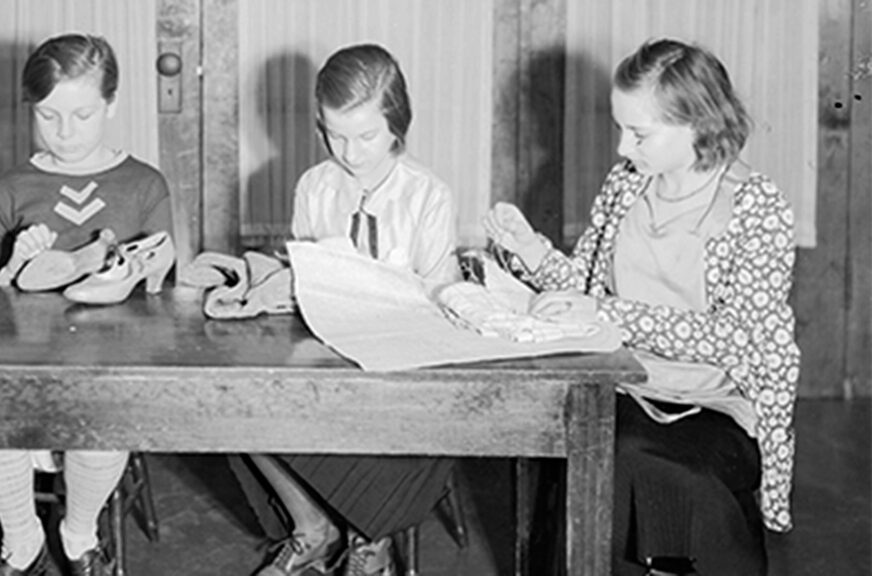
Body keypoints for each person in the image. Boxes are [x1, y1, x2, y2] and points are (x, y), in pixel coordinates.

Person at [483, 38, 800, 575]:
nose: (623, 148)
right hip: (626, 385)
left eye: (640, 133)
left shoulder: (757, 206)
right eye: (620, 128)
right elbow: (584, 289)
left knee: (643, 463)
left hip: (718, 405)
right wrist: (531, 251)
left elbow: (739, 336)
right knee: (592, 455)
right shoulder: (626, 186)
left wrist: (610, 315)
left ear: (698, 123)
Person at [229, 44, 460, 576]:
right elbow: (307, 280)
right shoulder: (315, 187)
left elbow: (439, 295)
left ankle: (370, 538)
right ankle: (311, 527)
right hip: (328, 354)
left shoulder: (428, 196)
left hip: (405, 363)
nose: (351, 153)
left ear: (397, 123)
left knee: (387, 415)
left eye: (366, 136)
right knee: (234, 403)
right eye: (335, 135)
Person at [0, 33, 172, 576]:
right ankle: (22, 538)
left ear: (111, 104)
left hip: (109, 370)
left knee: (99, 429)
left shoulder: (144, 185)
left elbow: (164, 300)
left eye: (82, 114)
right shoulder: (10, 189)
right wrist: (10, 269)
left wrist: (143, 272)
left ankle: (79, 533)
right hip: (21, 369)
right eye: (48, 116)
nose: (66, 132)